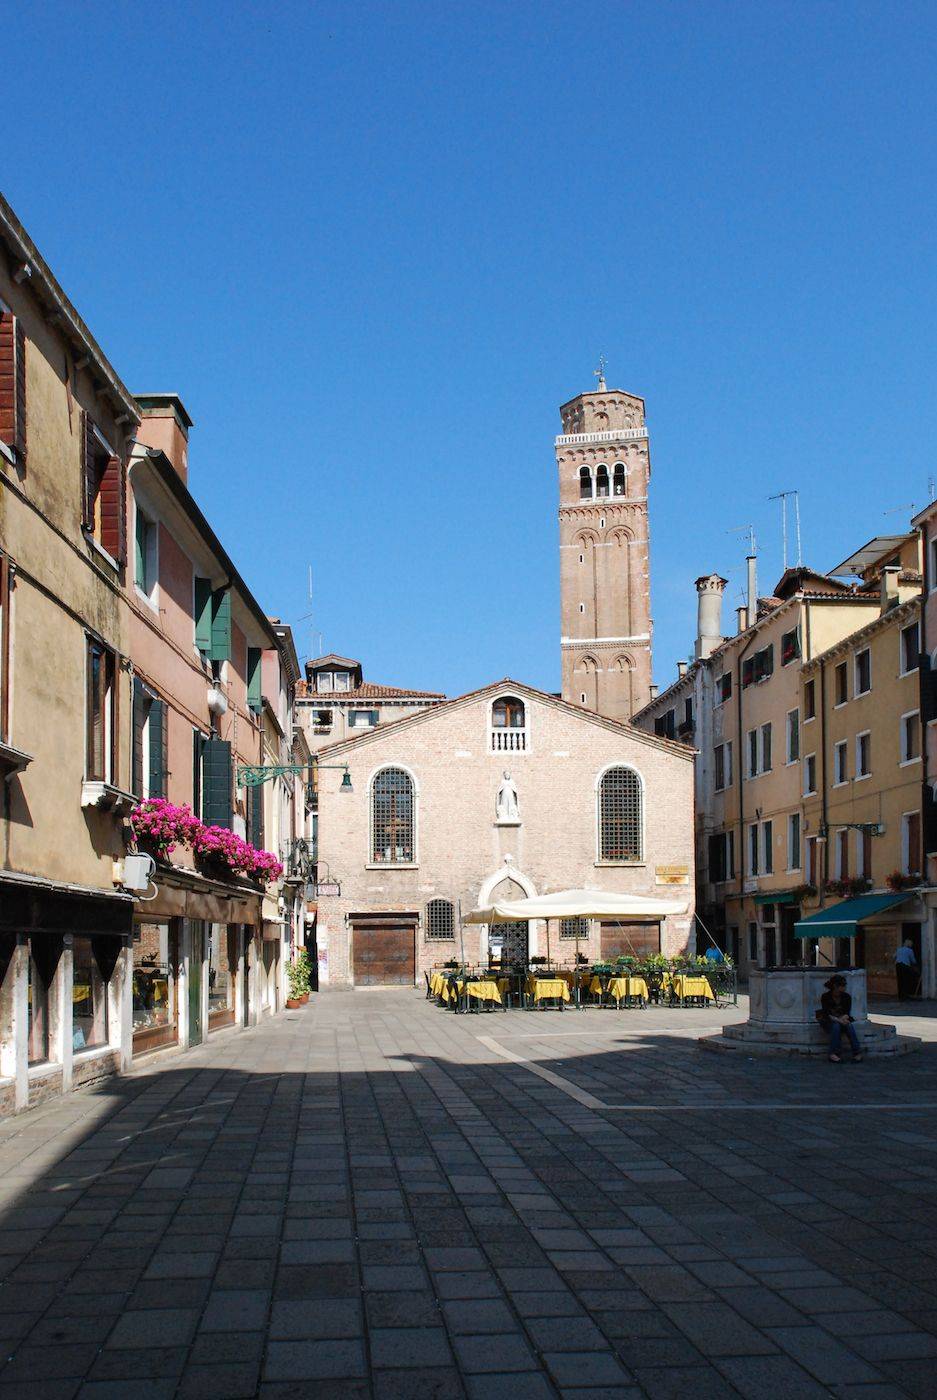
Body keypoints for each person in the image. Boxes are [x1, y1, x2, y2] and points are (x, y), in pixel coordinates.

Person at [818, 975, 862, 1063]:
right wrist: (839, 1020)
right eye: (843, 985)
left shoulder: (847, 997)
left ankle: (857, 1053)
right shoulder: (825, 997)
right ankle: (833, 1053)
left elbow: (847, 1012)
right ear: (835, 986)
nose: (845, 987)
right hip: (829, 1020)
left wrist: (842, 1019)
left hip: (843, 1019)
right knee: (836, 1026)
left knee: (849, 1026)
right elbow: (827, 1014)